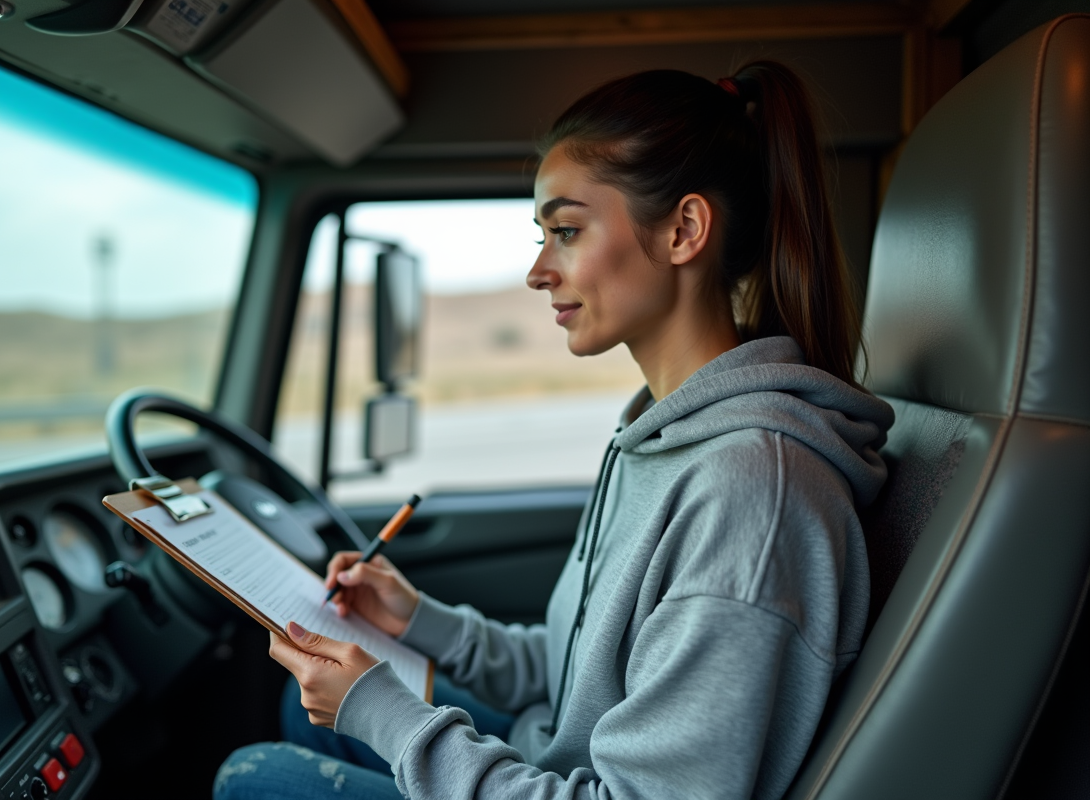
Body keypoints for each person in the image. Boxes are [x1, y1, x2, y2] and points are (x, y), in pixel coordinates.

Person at [214, 62, 894, 800]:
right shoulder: (656, 432)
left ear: (683, 230)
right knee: (308, 710)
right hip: (563, 758)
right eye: (543, 235)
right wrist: (421, 622)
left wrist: (385, 715)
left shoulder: (752, 494)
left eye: (566, 231)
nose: (538, 271)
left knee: (254, 778)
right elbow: (581, 674)